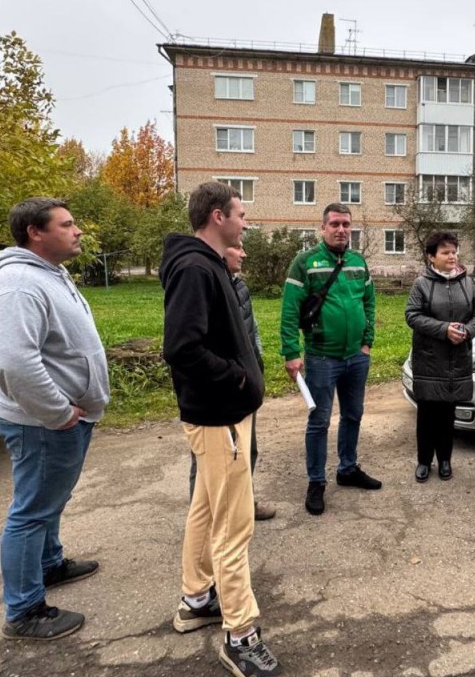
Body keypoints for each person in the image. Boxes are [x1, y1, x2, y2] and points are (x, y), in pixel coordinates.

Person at [160, 181, 283, 676]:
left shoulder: (208, 265)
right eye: (240, 213)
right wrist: (234, 377)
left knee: (205, 508)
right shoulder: (194, 268)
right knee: (234, 526)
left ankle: (196, 599)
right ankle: (240, 633)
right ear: (217, 216)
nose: (245, 221)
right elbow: (182, 347)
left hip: (223, 415)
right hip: (220, 416)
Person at [0, 197, 109, 640]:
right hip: (42, 423)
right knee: (32, 511)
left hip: (60, 419)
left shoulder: (49, 274)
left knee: (48, 501)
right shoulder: (18, 284)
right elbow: (14, 362)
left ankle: (50, 564)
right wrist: (57, 411)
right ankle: (24, 610)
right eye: (67, 224)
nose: (77, 232)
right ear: (36, 232)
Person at [280, 203, 381, 516]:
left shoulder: (357, 261)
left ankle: (347, 469)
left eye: (346, 225)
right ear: (322, 228)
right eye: (335, 224)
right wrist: (291, 352)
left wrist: (367, 343)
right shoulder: (305, 262)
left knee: (353, 415)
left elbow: (369, 303)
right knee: (319, 421)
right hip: (321, 356)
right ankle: (316, 481)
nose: (341, 230)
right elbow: (290, 310)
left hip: (356, 357)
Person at [188, 242, 276, 522]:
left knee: (247, 448)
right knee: (209, 458)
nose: (244, 253)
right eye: (237, 248)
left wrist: (257, 366)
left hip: (246, 383)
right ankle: (207, 516)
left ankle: (244, 503)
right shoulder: (205, 284)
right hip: (220, 387)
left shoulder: (239, 286)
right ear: (220, 251)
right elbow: (189, 344)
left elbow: (252, 331)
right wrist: (232, 374)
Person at [404, 231, 475, 482]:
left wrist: (466, 330)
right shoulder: (422, 284)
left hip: (457, 359)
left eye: (454, 251)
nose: (452, 256)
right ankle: (423, 461)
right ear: (432, 257)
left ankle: (445, 460)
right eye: (445, 252)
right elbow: (412, 315)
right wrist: (444, 330)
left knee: (448, 415)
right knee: (427, 414)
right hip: (430, 360)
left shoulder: (467, 282)